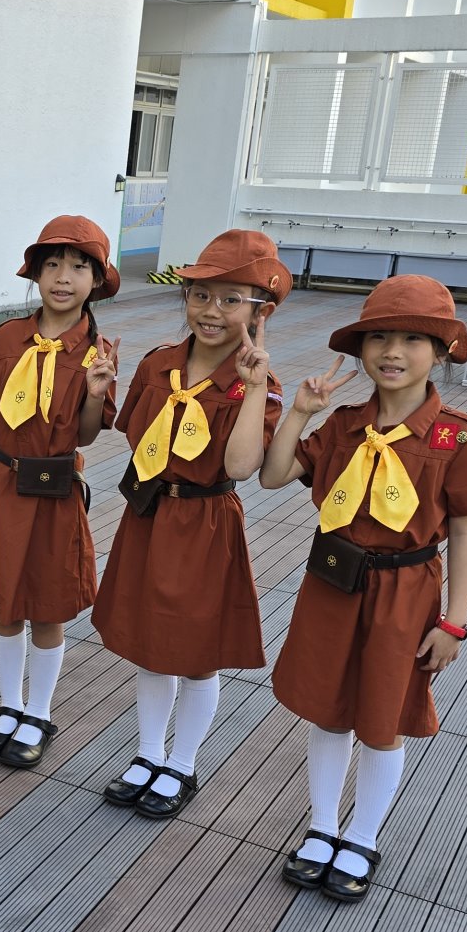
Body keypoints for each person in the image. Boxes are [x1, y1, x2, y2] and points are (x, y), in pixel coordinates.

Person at [259, 274, 467, 901]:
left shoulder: (457, 434)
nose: (392, 352)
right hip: (332, 584)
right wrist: (300, 412)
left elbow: (465, 533)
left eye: (413, 339)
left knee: (382, 717)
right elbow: (272, 475)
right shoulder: (344, 425)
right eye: (379, 338)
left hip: (405, 592)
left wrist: (454, 621)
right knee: (328, 710)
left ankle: (363, 835)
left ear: (442, 351)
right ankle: (322, 826)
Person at [93, 230, 288, 820]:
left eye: (231, 300)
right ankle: (149, 753)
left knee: (198, 652)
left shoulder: (258, 384)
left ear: (261, 312)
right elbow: (136, 437)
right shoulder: (158, 364)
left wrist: (255, 389)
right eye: (201, 295)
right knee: (151, 647)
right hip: (150, 516)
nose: (211, 311)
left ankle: (182, 762)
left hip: (205, 524)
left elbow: (241, 466)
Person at [0, 215, 120, 769]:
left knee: (47, 605)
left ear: (96, 280)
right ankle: (9, 706)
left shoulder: (96, 351)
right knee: (5, 601)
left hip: (52, 489)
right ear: (36, 275)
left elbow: (85, 434)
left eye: (78, 267)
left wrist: (96, 393)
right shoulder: (6, 339)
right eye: (52, 265)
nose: (63, 277)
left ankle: (39, 713)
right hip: (1, 482)